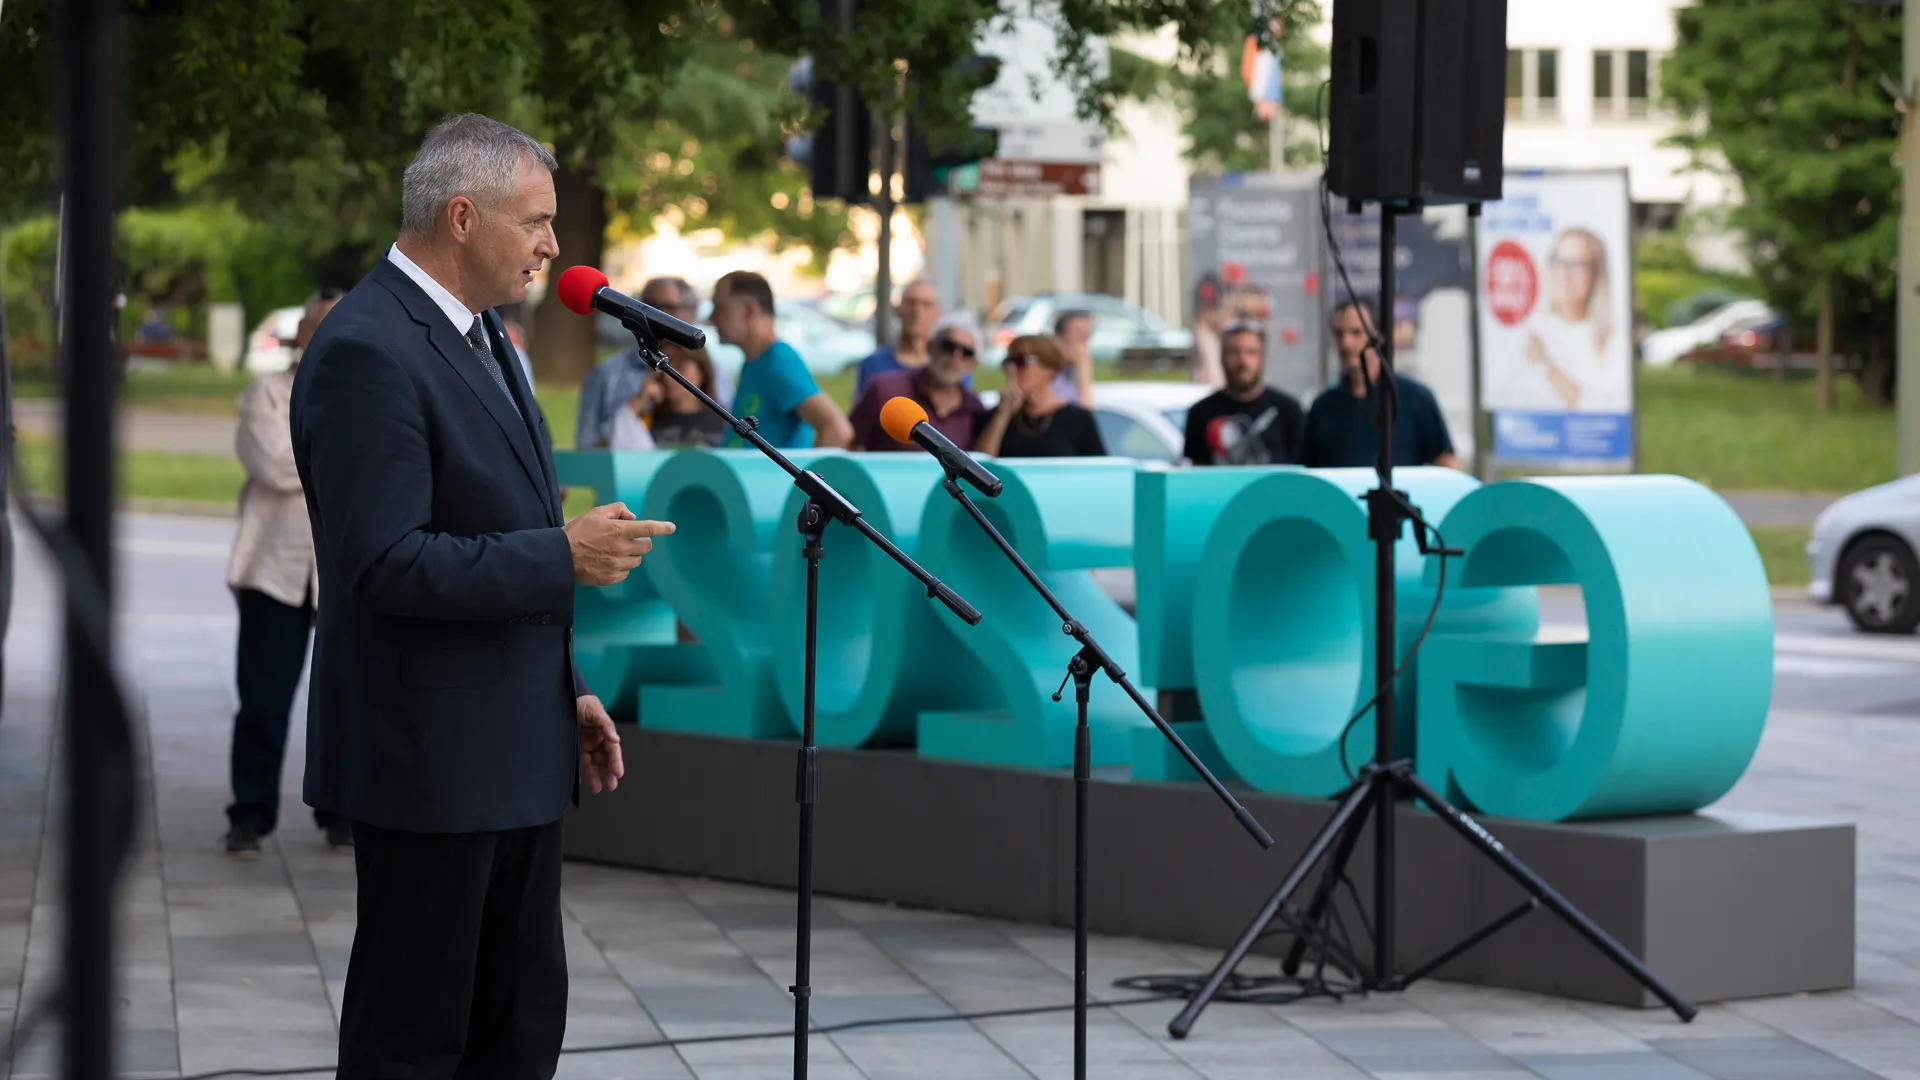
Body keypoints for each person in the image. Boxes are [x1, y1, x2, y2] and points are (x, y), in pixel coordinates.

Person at [290, 113, 676, 1078]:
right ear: (462, 218)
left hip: (513, 748)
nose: (553, 244)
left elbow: (492, 520)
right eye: (536, 220)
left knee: (519, 1027)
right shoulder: (367, 348)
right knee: (417, 1042)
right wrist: (562, 556)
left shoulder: (486, 336)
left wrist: (565, 688)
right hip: (429, 765)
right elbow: (387, 562)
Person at [223, 287, 351, 859]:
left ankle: (341, 814)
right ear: (300, 334)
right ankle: (249, 817)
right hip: (273, 570)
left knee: (345, 701)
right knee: (264, 701)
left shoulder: (371, 392)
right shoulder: (267, 393)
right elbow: (274, 465)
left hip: (342, 571)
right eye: (317, 325)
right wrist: (347, 458)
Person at [574, 277, 733, 449]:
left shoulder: (717, 373)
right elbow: (587, 447)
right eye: (649, 307)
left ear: (691, 313)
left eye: (669, 307)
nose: (657, 315)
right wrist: (633, 410)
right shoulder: (607, 374)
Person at [1300, 299, 1459, 470]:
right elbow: (1306, 471)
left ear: (1376, 336)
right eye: (1339, 334)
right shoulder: (1322, 407)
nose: (1346, 343)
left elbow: (1446, 464)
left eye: (1356, 333)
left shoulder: (1416, 399)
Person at [711, 269, 852, 449]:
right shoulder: (757, 361)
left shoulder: (779, 360)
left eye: (720, 307)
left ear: (749, 311)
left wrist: (805, 468)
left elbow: (837, 430)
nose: (711, 318)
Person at [1520, 227, 1625, 412]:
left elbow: (1600, 408)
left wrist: (1546, 365)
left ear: (1596, 273)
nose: (1564, 274)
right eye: (1559, 262)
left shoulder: (1610, 338)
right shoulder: (1532, 329)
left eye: (1577, 265)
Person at [848, 314, 985, 452]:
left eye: (967, 352)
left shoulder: (975, 408)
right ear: (930, 346)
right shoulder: (884, 389)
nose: (955, 357)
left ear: (974, 364)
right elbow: (848, 444)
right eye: (948, 346)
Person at [1182, 323, 1304, 466]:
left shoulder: (1289, 411)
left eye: (1251, 352)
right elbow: (1196, 473)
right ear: (1222, 357)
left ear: (1262, 358)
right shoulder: (1200, 413)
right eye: (1234, 352)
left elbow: (1301, 469)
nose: (1243, 361)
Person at [975, 334, 1107, 458]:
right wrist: (1003, 413)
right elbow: (981, 464)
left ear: (1049, 366)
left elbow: (1098, 467)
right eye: (1007, 363)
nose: (1012, 369)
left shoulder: (1078, 419)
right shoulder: (995, 417)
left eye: (1020, 361)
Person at [609, 346, 729, 450]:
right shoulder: (646, 417)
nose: (668, 378)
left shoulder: (725, 418)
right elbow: (614, 444)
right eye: (663, 369)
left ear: (702, 370)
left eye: (680, 368)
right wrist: (641, 400)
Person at [851, 279, 948, 400]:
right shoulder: (873, 365)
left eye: (926, 304)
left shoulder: (950, 366)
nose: (916, 311)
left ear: (938, 313)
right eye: (911, 303)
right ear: (898, 309)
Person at [1050, 308, 1097, 406]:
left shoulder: (1072, 368)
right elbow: (1085, 409)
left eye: (1088, 334)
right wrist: (1083, 365)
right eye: (1079, 333)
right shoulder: (1047, 372)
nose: (1084, 341)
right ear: (1057, 338)